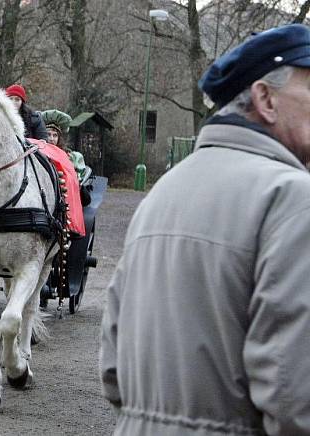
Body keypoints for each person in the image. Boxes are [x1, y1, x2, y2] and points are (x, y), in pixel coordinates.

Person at [100, 23, 310, 435]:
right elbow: (294, 400)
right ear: (266, 99)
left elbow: (112, 368)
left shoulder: (163, 192)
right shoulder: (292, 197)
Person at [40, 109, 88, 182]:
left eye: (55, 135)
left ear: (59, 138)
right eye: (48, 134)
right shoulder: (38, 152)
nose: (51, 139)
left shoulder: (68, 156)